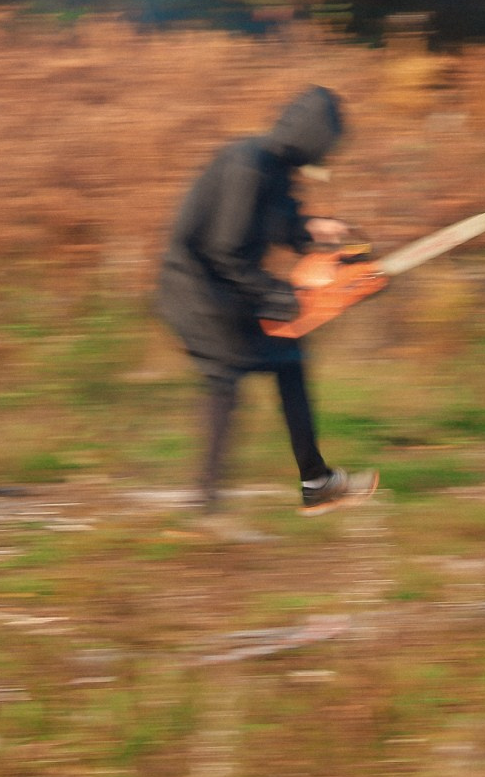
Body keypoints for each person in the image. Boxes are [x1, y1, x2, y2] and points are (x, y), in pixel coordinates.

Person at [154, 85, 378, 518]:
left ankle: (313, 484)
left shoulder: (275, 168)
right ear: (313, 136)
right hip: (196, 292)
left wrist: (326, 240)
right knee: (226, 380)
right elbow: (224, 249)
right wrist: (275, 293)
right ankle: (208, 509)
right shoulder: (248, 164)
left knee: (288, 359)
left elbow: (284, 225)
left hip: (223, 288)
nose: (325, 157)